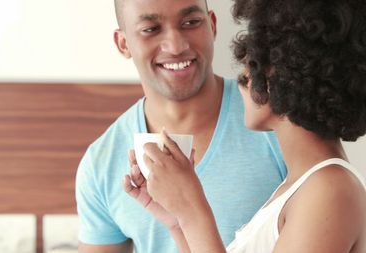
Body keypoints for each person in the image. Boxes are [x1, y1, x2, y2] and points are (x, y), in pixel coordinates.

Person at [125, 0, 366, 252]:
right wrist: (177, 222)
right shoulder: (305, 187)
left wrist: (192, 211)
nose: (242, 81)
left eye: (250, 66)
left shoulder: (329, 191)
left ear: (283, 75)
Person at [75, 0, 288, 252]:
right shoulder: (101, 162)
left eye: (190, 23)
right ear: (123, 43)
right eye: (151, 29)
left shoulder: (279, 123)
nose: (176, 46)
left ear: (212, 25)